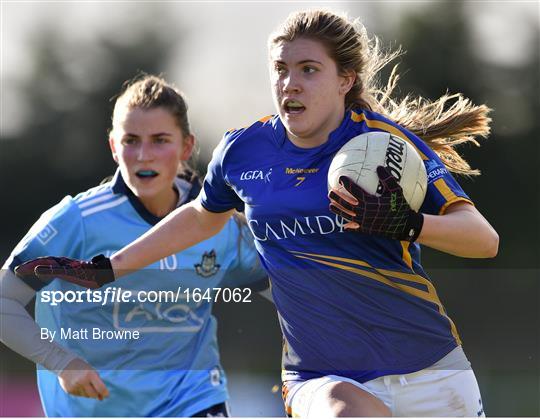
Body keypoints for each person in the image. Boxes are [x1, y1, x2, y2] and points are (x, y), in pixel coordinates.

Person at [16, 10, 499, 417]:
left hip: (432, 369)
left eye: (309, 69)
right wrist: (108, 267)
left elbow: (482, 239)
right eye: (280, 68)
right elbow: (203, 217)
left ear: (344, 80)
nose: (290, 82)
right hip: (321, 376)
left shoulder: (386, 145)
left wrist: (406, 223)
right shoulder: (244, 151)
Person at [1, 74, 267, 417]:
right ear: (113, 147)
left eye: (159, 140)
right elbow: (4, 301)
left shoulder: (222, 224)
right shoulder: (76, 220)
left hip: (192, 401)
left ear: (186, 147)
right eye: (131, 140)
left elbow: (291, 292)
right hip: (96, 409)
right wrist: (61, 362)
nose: (144, 155)